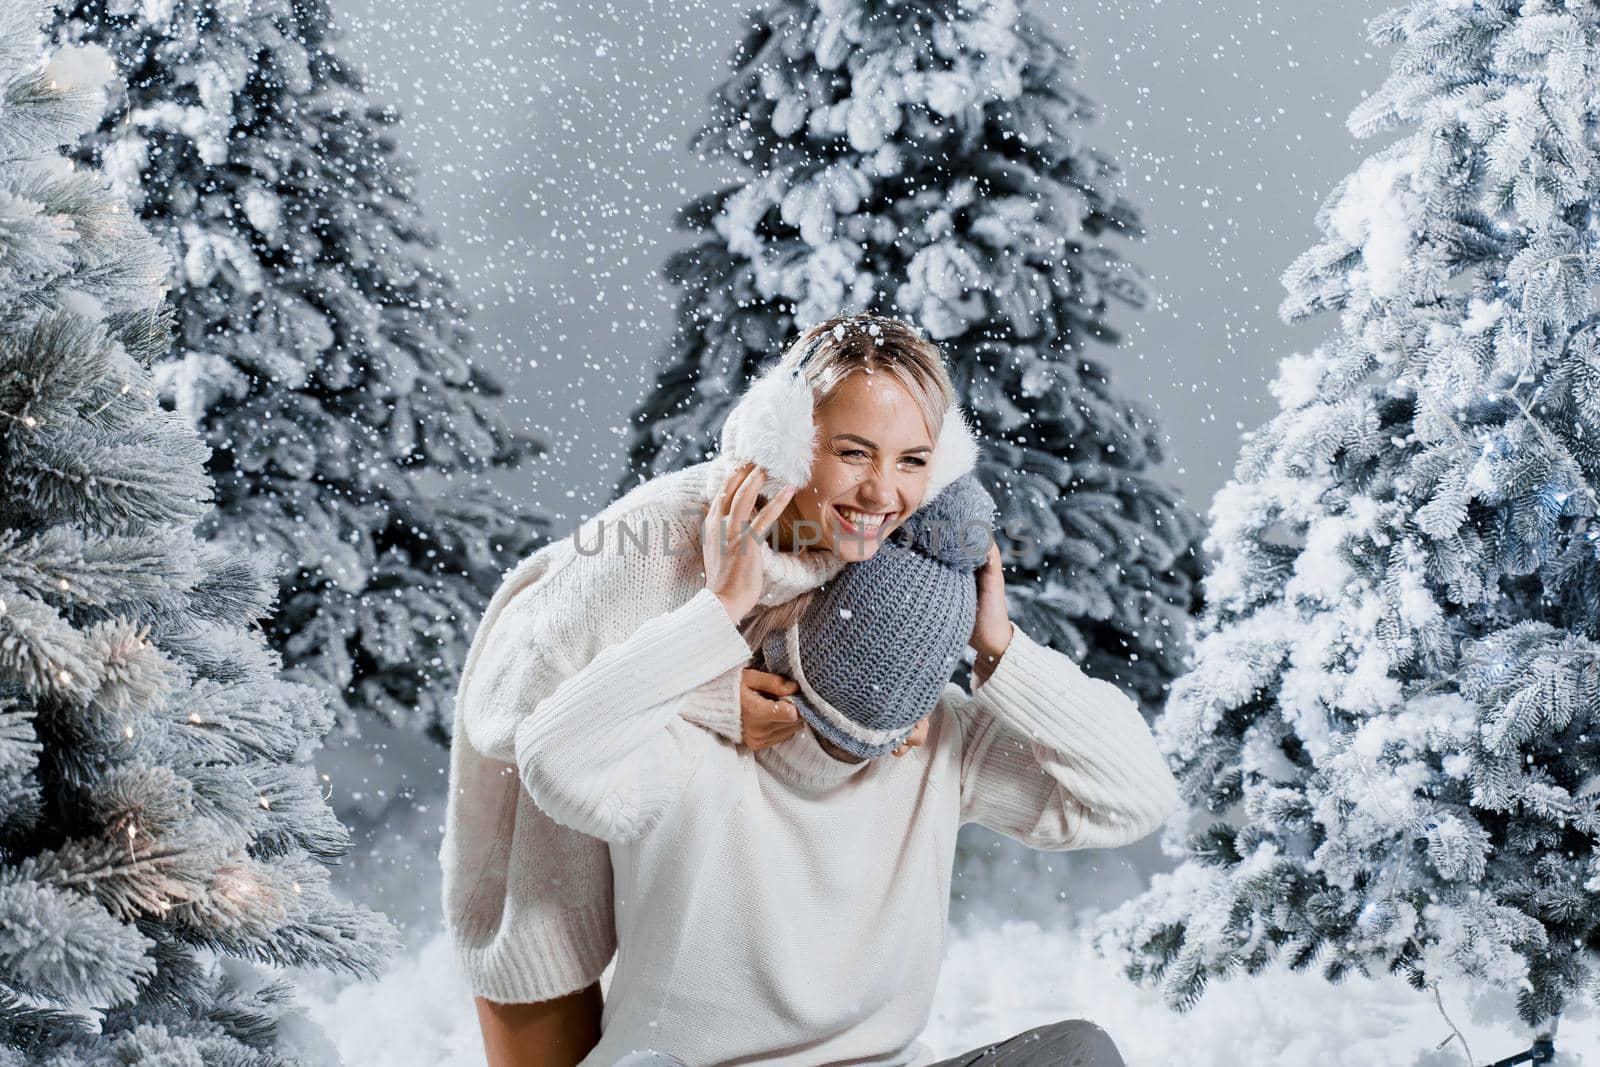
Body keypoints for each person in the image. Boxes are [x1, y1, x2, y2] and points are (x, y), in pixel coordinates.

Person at [442, 313, 983, 1066]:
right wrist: (712, 694)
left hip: (667, 860)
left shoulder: (869, 532)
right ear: (790, 442)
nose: (883, 489)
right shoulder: (658, 536)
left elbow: (848, 654)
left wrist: (903, 705)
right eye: (853, 451)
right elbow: (504, 710)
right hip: (547, 855)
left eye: (913, 459)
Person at [514, 469, 1176, 1065]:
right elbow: (551, 757)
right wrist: (710, 640)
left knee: (1078, 1054)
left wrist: (1003, 650)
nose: (869, 733)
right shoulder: (688, 735)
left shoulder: (944, 740)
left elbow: (1136, 796)